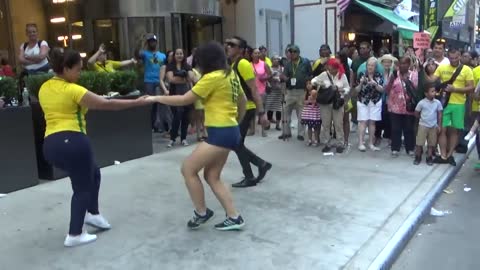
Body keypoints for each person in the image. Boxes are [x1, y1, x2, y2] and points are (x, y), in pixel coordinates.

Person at [39, 48, 152, 247]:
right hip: (73, 142)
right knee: (82, 187)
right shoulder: (73, 90)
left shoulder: (45, 87)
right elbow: (107, 104)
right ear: (65, 69)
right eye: (77, 70)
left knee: (94, 172)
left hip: (50, 145)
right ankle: (75, 234)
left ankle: (92, 213)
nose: (80, 74)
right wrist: (136, 103)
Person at [147, 41, 247, 231]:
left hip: (220, 132)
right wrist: (237, 122)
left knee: (188, 169)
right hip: (230, 130)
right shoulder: (230, 74)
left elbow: (185, 99)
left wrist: (155, 97)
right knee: (212, 176)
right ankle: (234, 217)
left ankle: (202, 212)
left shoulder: (213, 77)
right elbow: (242, 100)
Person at [226, 36, 272, 188]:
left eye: (232, 45)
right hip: (239, 109)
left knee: (236, 143)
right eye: (227, 44)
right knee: (236, 143)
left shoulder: (243, 64)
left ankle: (251, 175)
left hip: (248, 108)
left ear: (241, 50)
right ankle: (260, 165)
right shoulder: (232, 65)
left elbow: (254, 89)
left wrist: (262, 112)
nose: (228, 46)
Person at [433, 48, 474, 165]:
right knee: (442, 130)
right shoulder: (442, 67)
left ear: (460, 56)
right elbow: (431, 80)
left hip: (459, 104)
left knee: (454, 131)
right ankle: (443, 155)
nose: (454, 60)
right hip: (444, 103)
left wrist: (456, 89)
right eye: (451, 58)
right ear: (448, 56)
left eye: (456, 58)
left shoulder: (466, 70)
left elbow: (471, 87)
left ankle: (450, 154)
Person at [311, 58, 350, 153]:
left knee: (338, 124)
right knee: (326, 124)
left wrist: (341, 90)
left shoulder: (342, 76)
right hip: (325, 102)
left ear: (337, 68)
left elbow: (347, 88)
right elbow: (313, 81)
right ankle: (327, 143)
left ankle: (340, 143)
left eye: (333, 68)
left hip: (337, 102)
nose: (331, 70)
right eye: (329, 68)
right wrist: (319, 83)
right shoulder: (324, 74)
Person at [385, 56, 418, 157]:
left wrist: (407, 81)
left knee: (409, 128)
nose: (403, 65)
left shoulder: (414, 75)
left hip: (409, 107)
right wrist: (391, 80)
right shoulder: (394, 74)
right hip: (395, 106)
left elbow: (416, 89)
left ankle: (410, 148)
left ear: (409, 65)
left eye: (405, 63)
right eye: (401, 63)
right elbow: (387, 89)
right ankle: (395, 148)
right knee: (396, 129)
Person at [280, 44, 312, 141]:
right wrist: (286, 79)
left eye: (294, 52)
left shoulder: (305, 62)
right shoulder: (288, 64)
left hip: (301, 91)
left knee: (301, 114)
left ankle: (301, 134)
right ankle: (286, 132)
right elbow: (283, 75)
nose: (292, 53)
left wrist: (307, 83)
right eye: (291, 52)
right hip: (290, 91)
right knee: (285, 112)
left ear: (298, 53)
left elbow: (310, 74)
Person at [136, 34, 167, 133]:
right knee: (151, 103)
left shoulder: (163, 55)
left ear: (156, 42)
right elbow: (137, 54)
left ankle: (160, 125)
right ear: (148, 43)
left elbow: (165, 68)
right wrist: (139, 43)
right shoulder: (145, 54)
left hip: (160, 81)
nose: (152, 43)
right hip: (149, 81)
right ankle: (152, 125)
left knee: (160, 103)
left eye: (153, 41)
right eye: (150, 41)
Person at [165, 48, 196, 147]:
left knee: (185, 117)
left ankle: (183, 138)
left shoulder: (187, 66)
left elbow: (191, 78)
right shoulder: (170, 66)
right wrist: (184, 79)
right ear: (174, 56)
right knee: (177, 116)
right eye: (177, 53)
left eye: (181, 53)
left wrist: (183, 77)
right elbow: (171, 79)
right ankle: (172, 138)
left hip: (186, 94)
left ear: (184, 55)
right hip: (174, 94)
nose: (179, 55)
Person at [355, 57, 384, 152]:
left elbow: (382, 90)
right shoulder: (361, 74)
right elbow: (356, 90)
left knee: (372, 122)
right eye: (369, 65)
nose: (370, 67)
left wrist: (375, 84)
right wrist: (361, 83)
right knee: (363, 122)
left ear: (375, 67)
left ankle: (371, 143)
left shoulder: (379, 75)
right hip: (363, 100)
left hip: (375, 101)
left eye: (372, 65)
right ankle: (361, 143)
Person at [414, 85, 443, 165]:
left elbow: (440, 114)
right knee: (419, 143)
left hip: (433, 126)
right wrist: (422, 118)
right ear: (426, 93)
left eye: (434, 91)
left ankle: (429, 157)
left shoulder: (437, 103)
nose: (434, 93)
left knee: (431, 144)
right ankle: (418, 156)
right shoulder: (422, 103)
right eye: (432, 91)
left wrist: (439, 125)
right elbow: (416, 112)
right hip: (423, 125)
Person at [374, 54, 397, 147]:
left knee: (389, 118)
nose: (387, 64)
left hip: (391, 99)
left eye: (389, 62)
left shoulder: (393, 73)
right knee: (379, 117)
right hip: (380, 98)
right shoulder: (379, 72)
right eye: (385, 62)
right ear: (382, 63)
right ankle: (377, 136)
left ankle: (389, 136)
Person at [252, 47, 272, 137]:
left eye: (258, 53)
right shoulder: (248, 65)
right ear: (251, 55)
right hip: (252, 90)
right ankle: (252, 129)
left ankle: (264, 130)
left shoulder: (264, 64)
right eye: (255, 53)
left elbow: (270, 74)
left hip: (262, 90)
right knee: (252, 111)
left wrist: (264, 78)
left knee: (262, 111)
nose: (257, 54)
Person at [265, 55, 284, 131]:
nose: (276, 60)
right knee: (270, 107)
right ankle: (268, 123)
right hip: (271, 90)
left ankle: (278, 125)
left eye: (277, 59)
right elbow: (266, 78)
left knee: (279, 108)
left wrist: (280, 79)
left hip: (279, 90)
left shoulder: (282, 69)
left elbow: (284, 78)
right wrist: (271, 76)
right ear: (272, 60)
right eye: (274, 59)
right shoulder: (269, 68)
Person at [301, 81, 321, 146]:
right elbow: (303, 101)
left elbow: (317, 102)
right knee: (309, 127)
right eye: (307, 84)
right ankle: (309, 140)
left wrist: (313, 100)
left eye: (310, 84)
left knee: (315, 127)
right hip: (308, 112)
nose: (308, 85)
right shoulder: (306, 93)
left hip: (315, 112)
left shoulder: (315, 92)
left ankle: (316, 140)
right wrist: (308, 101)